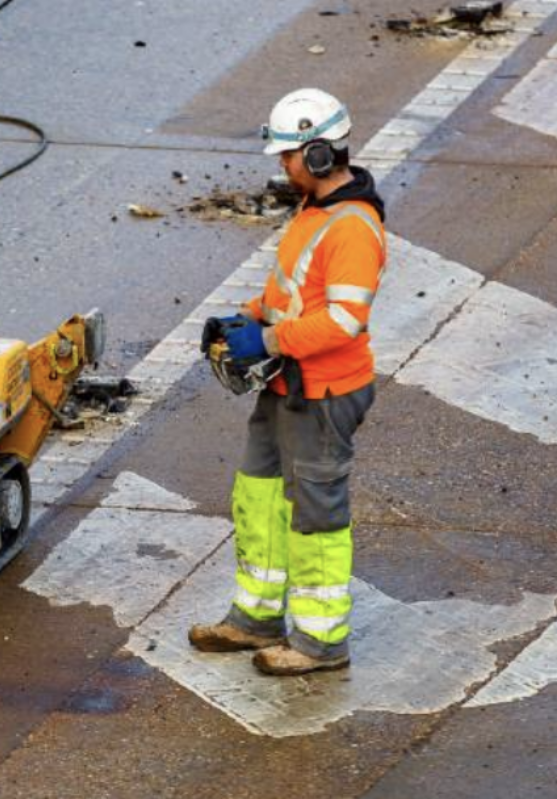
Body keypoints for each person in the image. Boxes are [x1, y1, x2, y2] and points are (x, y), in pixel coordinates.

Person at [189, 88, 386, 676]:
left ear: (321, 154)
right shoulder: (314, 211)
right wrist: (248, 316)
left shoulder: (353, 228)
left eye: (290, 155)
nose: (282, 165)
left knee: (316, 515)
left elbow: (346, 320)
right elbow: (293, 293)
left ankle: (322, 641)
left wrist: (269, 341)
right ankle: (255, 620)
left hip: (323, 393)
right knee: (258, 494)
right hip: (285, 385)